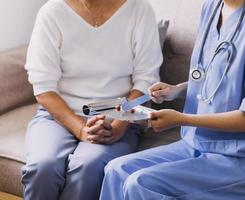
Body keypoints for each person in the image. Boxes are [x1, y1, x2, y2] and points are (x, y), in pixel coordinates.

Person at [99, 0, 245, 199]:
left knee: (140, 183)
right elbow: (210, 75)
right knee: (116, 170)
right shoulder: (212, 7)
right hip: (197, 144)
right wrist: (177, 90)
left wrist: (182, 119)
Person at [21, 0, 162, 199]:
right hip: (57, 116)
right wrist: (80, 129)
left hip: (117, 116)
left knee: (88, 165)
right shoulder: (51, 12)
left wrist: (119, 126)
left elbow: (146, 80)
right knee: (43, 166)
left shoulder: (139, 9)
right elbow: (43, 88)